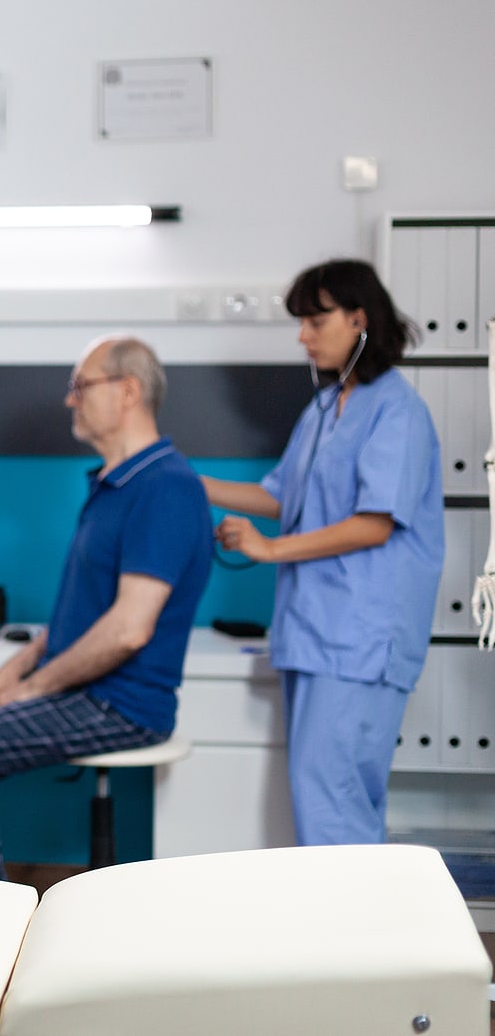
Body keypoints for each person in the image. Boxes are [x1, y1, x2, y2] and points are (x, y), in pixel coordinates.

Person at [0, 335, 212, 880]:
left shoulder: (165, 489)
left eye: (81, 386)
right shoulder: (115, 485)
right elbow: (79, 616)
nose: (70, 400)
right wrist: (16, 667)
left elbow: (128, 630)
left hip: (118, 704)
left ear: (128, 391)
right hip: (80, 688)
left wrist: (33, 689)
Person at [203, 259, 443, 846]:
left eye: (315, 320)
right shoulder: (322, 410)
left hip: (360, 640)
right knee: (323, 797)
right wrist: (182, 479)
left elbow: (374, 524)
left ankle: (355, 936)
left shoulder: (397, 411)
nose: (302, 336)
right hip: (313, 634)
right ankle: (348, 930)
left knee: (334, 799)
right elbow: (279, 495)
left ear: (359, 319)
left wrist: (269, 549)